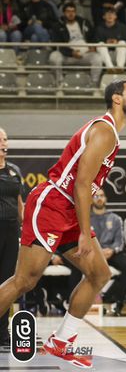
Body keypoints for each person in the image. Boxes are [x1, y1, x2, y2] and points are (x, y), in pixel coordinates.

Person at [0, 81, 126, 367]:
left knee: (99, 274)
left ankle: (61, 341)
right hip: (54, 205)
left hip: (69, 209)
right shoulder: (104, 131)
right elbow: (81, 185)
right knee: (25, 281)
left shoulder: (110, 133)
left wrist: (82, 232)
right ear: (116, 98)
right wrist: (85, 236)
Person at [87, 190, 126, 317]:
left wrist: (112, 250)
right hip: (93, 253)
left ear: (106, 198)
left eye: (102, 195)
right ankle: (89, 301)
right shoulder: (86, 218)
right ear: (91, 199)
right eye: (96, 196)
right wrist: (97, 252)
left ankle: (117, 302)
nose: (99, 198)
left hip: (111, 252)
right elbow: (84, 239)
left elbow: (120, 241)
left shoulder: (115, 219)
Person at [0, 127, 26, 352]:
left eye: (5, 139)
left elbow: (20, 203)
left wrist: (26, 227)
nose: (3, 142)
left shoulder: (14, 170)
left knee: (8, 280)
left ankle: (3, 331)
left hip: (11, 232)